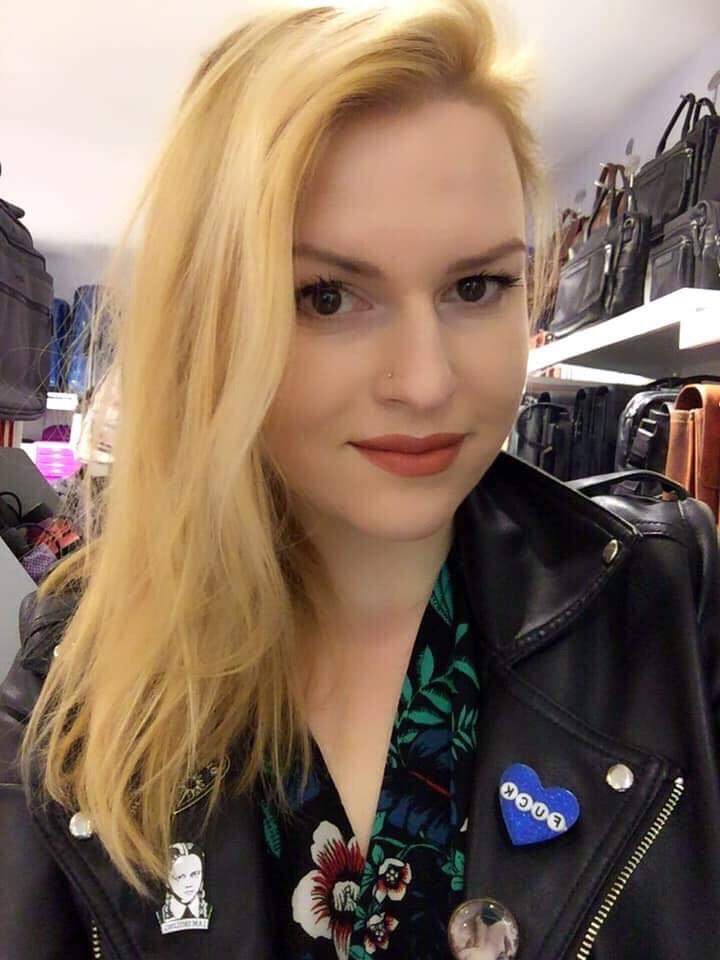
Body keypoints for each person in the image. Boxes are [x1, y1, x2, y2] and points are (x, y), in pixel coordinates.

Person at [1, 0, 719, 958]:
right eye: (328, 296)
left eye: (476, 286)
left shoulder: (668, 608)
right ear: (209, 323)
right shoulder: (77, 681)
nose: (424, 383)